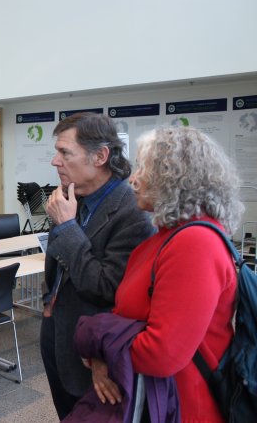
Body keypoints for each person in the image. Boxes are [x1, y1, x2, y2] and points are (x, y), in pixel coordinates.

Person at [78, 126, 243, 422]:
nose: (134, 178)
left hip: (184, 406)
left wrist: (98, 345)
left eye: (145, 168)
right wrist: (100, 353)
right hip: (156, 399)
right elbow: (124, 319)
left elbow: (162, 353)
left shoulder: (196, 244)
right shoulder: (165, 237)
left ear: (177, 180)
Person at [40, 112, 154, 419]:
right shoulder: (71, 197)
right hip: (58, 332)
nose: (55, 161)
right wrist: (47, 299)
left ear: (101, 156)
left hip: (96, 351)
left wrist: (65, 226)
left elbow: (107, 286)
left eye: (65, 152)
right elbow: (56, 258)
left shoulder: (133, 211)